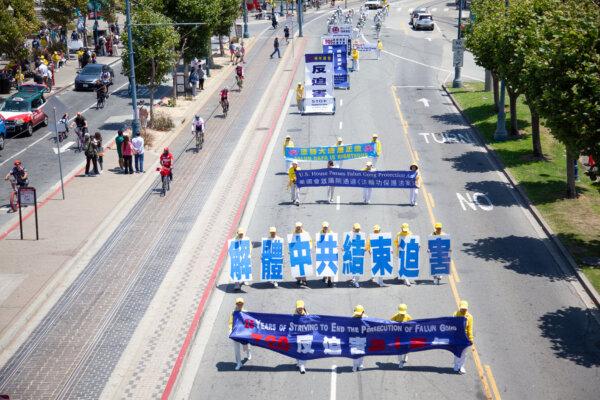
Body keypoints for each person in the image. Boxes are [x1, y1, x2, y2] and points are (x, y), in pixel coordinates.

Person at [229, 297, 251, 370]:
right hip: (235, 334)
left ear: (243, 304)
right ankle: (239, 363)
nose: (239, 305)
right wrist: (230, 330)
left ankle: (248, 353)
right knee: (236, 350)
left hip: (243, 333)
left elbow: (249, 322)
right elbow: (230, 322)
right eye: (238, 303)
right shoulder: (233, 313)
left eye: (241, 303)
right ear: (236, 304)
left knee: (246, 345)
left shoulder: (245, 312)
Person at [453, 300, 473, 374]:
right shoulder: (455, 314)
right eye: (462, 308)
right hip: (457, 336)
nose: (463, 310)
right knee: (457, 352)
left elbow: (470, 329)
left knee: (464, 353)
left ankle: (461, 367)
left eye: (465, 309)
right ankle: (456, 365)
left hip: (465, 337)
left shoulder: (470, 317)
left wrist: (470, 339)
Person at [390, 304, 412, 368]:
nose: (402, 314)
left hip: (406, 336)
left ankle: (404, 358)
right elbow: (389, 322)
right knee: (399, 349)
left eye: (403, 313)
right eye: (401, 313)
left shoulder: (408, 317)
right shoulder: (395, 316)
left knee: (405, 349)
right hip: (398, 335)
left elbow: (412, 325)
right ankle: (400, 361)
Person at [318, 221, 336, 287]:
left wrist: (336, 246)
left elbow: (335, 241)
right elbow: (318, 241)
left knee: (330, 265)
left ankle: (329, 280)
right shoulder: (320, 233)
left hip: (330, 251)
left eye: (326, 227)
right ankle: (325, 276)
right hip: (323, 251)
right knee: (324, 264)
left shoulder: (331, 233)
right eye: (324, 227)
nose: (325, 228)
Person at [294, 300, 308, 373]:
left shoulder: (307, 315)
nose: (300, 309)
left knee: (304, 351)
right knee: (297, 350)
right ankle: (299, 363)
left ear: (303, 307)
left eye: (301, 308)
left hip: (305, 336)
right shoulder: (294, 316)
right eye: (298, 308)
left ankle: (302, 365)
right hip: (297, 336)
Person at [347, 223, 362, 288]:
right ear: (353, 229)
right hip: (351, 253)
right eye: (356, 229)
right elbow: (347, 242)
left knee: (358, 268)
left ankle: (356, 281)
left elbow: (363, 243)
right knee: (353, 266)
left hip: (358, 254)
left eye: (358, 229)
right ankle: (355, 280)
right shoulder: (350, 234)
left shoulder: (361, 234)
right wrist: (344, 248)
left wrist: (365, 249)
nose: (357, 230)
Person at [351, 305, 366, 372]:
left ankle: (359, 365)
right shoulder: (351, 319)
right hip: (355, 339)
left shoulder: (367, 318)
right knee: (356, 353)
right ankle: (355, 365)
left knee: (361, 353)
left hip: (362, 339)